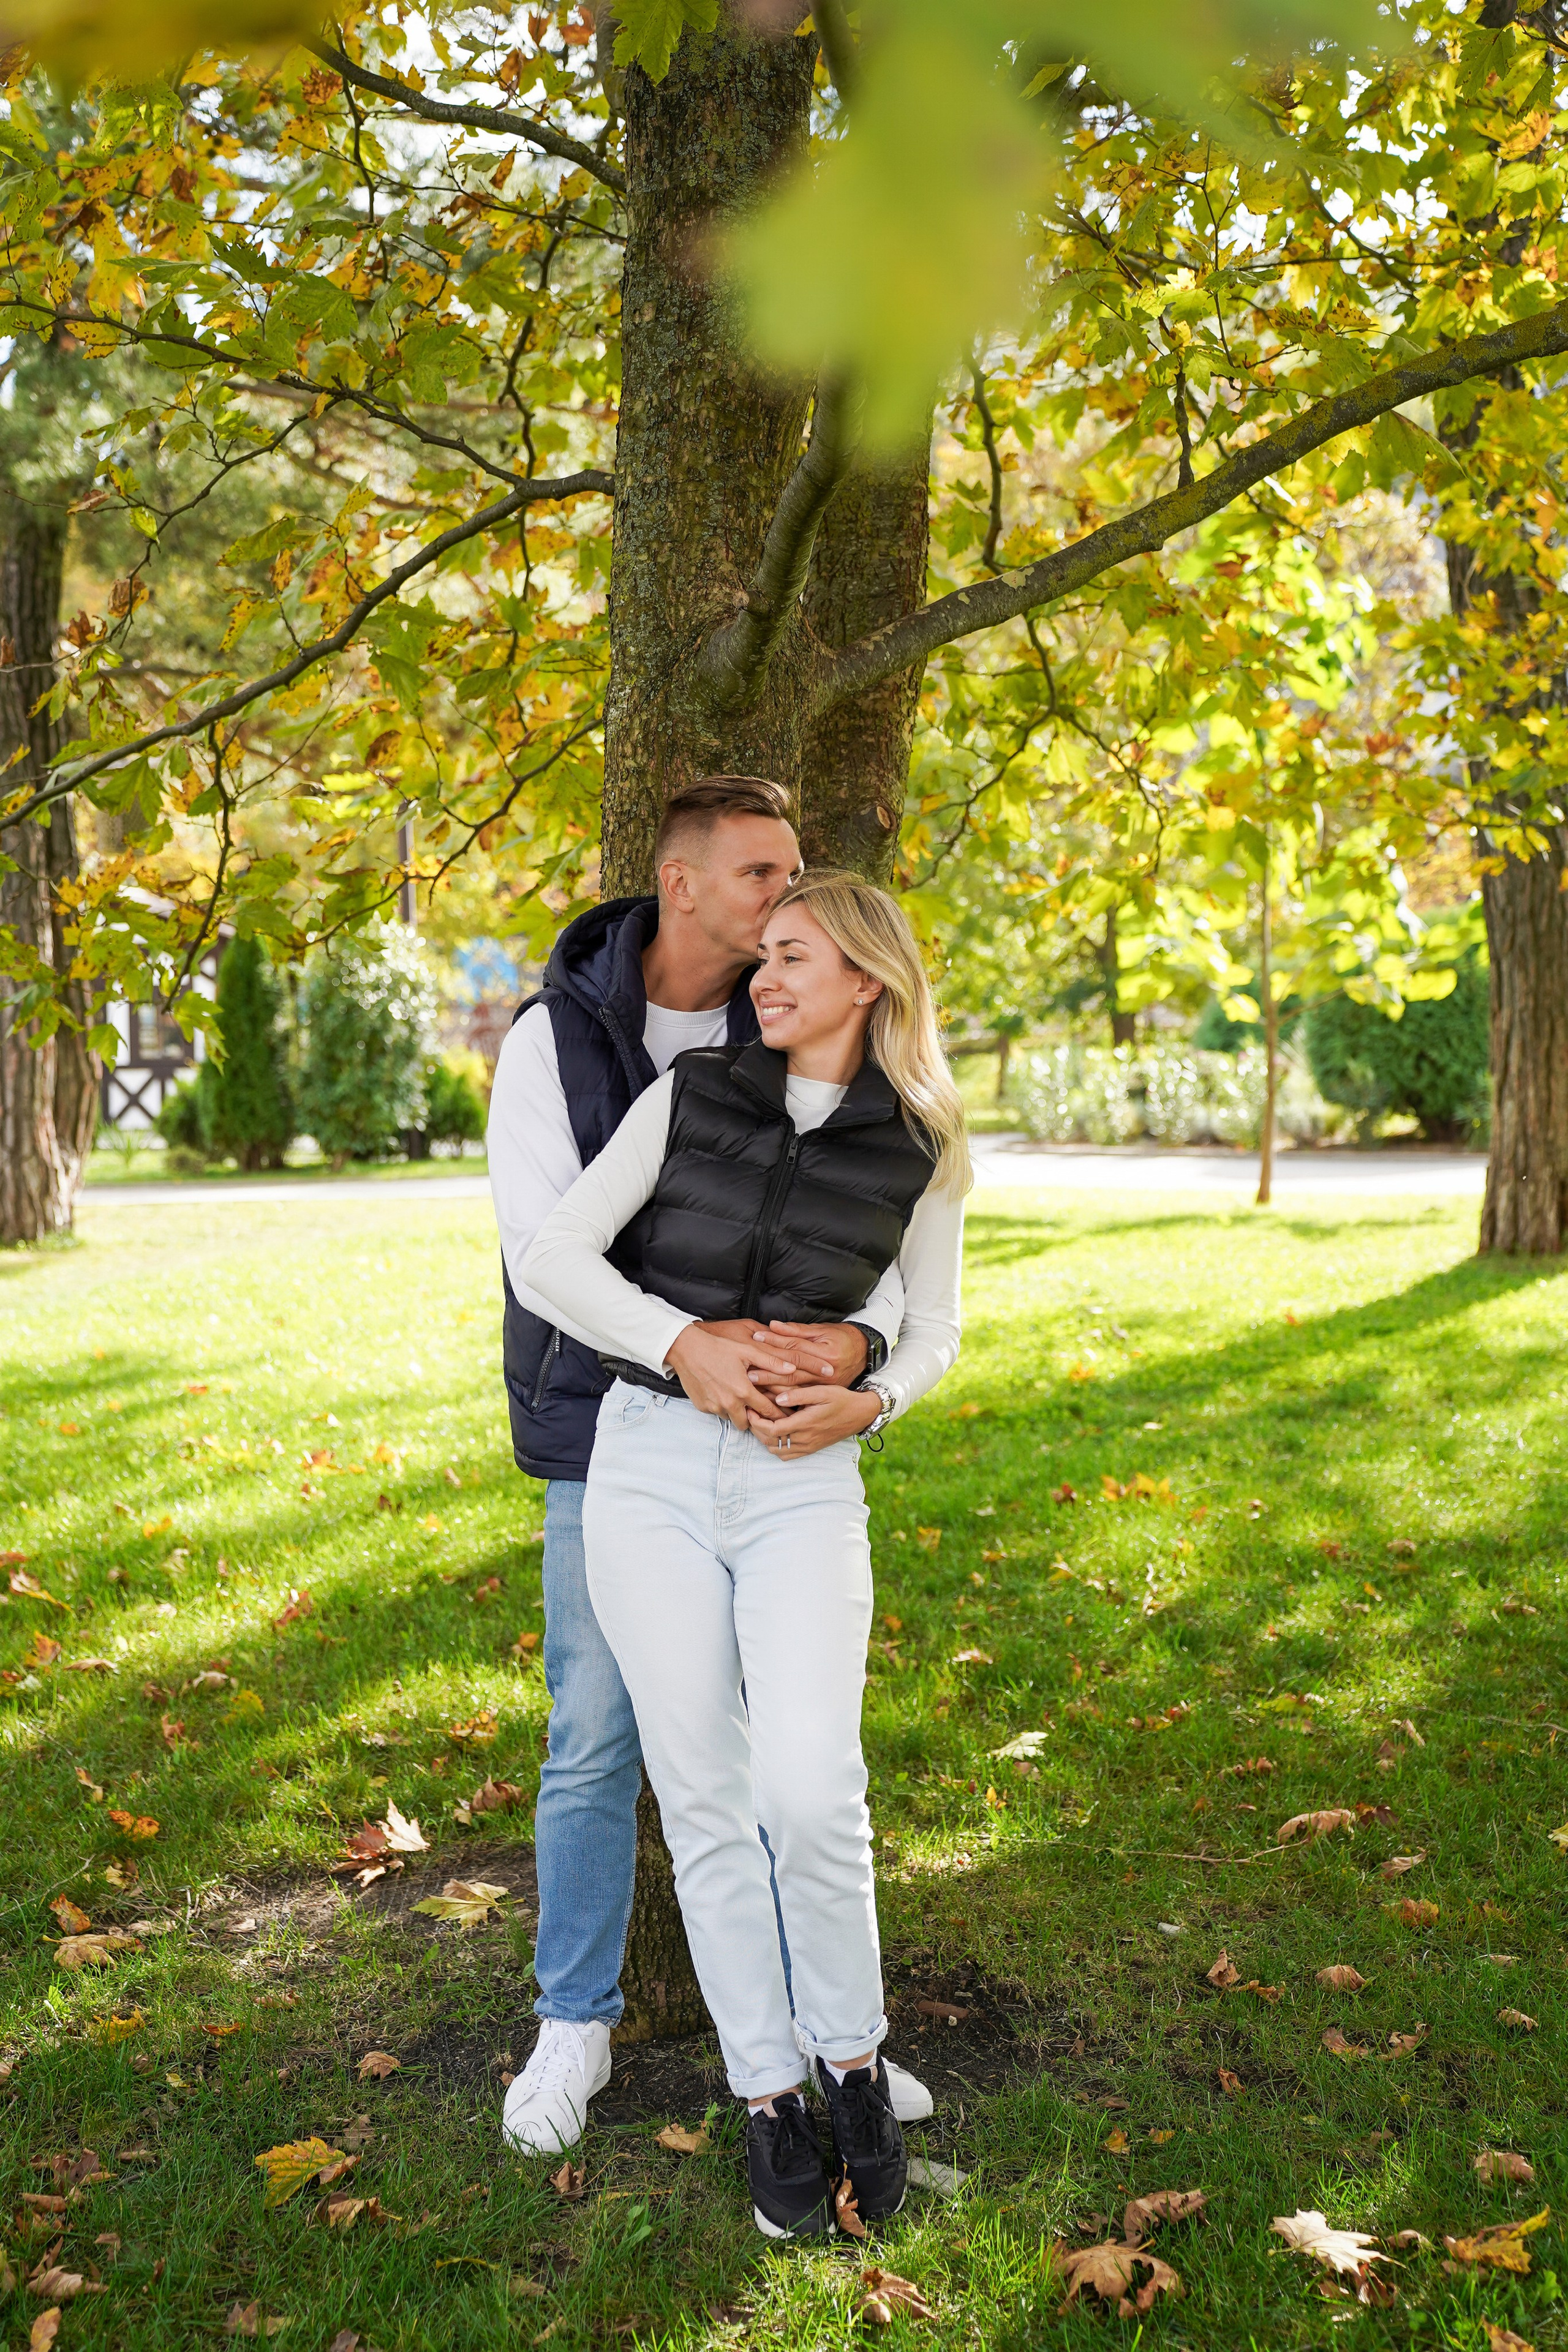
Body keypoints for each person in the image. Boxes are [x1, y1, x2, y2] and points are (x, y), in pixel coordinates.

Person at [522, 870, 968, 2240]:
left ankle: (849, 2063)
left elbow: (937, 1324)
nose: (762, 978)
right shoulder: (691, 1097)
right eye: (760, 955)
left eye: (792, 958)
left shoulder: (924, 1144)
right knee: (706, 1797)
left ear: (865, 983)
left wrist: (871, 1385)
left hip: (801, 1484)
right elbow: (552, 1257)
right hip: (647, 1468)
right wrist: (679, 1342)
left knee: (810, 1787)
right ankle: (766, 2093)